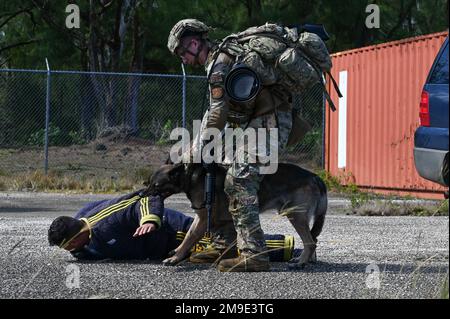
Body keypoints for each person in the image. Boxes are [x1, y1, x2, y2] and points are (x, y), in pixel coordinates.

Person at [167, 19, 294, 271]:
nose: (183, 59)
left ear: (194, 43)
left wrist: (198, 148)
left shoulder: (218, 65)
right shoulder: (221, 60)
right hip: (257, 122)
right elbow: (215, 113)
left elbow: (217, 115)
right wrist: (197, 147)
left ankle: (254, 254)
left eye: (182, 52)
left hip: (269, 123)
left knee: (239, 180)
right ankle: (224, 241)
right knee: (220, 168)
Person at [48, 190, 294, 262]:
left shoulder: (107, 222)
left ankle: (285, 247)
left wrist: (149, 220)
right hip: (156, 249)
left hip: (169, 231)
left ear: (80, 232)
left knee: (220, 244)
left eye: (70, 245)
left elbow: (142, 200)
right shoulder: (83, 233)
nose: (70, 250)